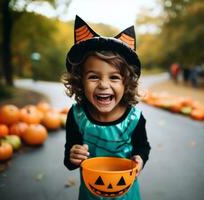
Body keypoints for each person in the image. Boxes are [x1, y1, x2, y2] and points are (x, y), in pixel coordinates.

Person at [62, 15, 151, 200]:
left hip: (126, 192)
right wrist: (73, 156)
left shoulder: (134, 118)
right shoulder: (78, 116)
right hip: (90, 193)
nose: (103, 84)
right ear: (80, 81)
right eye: (94, 76)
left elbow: (143, 146)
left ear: (126, 84)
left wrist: (140, 159)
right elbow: (69, 161)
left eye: (114, 77)